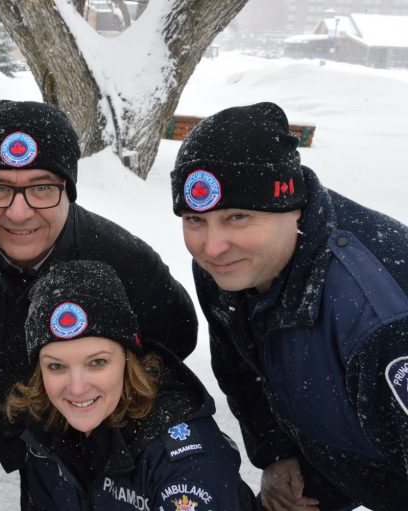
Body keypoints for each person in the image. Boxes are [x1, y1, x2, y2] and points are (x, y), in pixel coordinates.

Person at [0, 99, 198, 510]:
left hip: (67, 418)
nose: (19, 212)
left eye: (41, 188)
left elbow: (176, 334)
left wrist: (103, 398)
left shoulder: (120, 259)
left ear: (68, 189)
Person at [169, 102, 408, 511]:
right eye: (195, 220)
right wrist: (276, 451)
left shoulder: (377, 316)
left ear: (291, 206)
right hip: (335, 449)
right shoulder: (227, 266)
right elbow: (240, 367)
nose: (212, 247)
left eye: (238, 217)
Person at [5, 259, 256, 510]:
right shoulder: (45, 431)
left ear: (128, 359)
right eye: (56, 366)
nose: (77, 388)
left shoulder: (184, 458)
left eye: (97, 362)